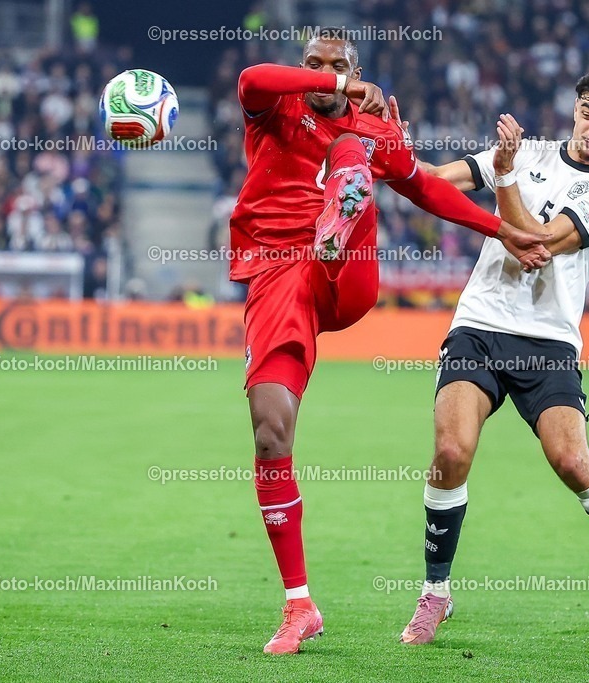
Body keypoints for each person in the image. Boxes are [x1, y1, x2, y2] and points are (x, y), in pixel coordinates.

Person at [230, 28, 551, 655]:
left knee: (354, 149)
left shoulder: (372, 127)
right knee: (270, 430)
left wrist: (502, 229)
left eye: (339, 65)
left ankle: (339, 213)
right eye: (315, 65)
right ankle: (299, 605)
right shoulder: (276, 109)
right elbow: (251, 80)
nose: (326, 74)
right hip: (277, 279)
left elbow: (425, 186)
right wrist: (337, 84)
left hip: (343, 269)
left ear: (357, 65)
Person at [394, 67, 589, 651]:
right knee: (450, 451)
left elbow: (533, 241)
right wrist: (392, 154)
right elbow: (438, 180)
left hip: (549, 341)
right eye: (588, 111)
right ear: (575, 109)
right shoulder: (529, 150)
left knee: (573, 463)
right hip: (480, 326)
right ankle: (435, 592)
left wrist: (505, 174)